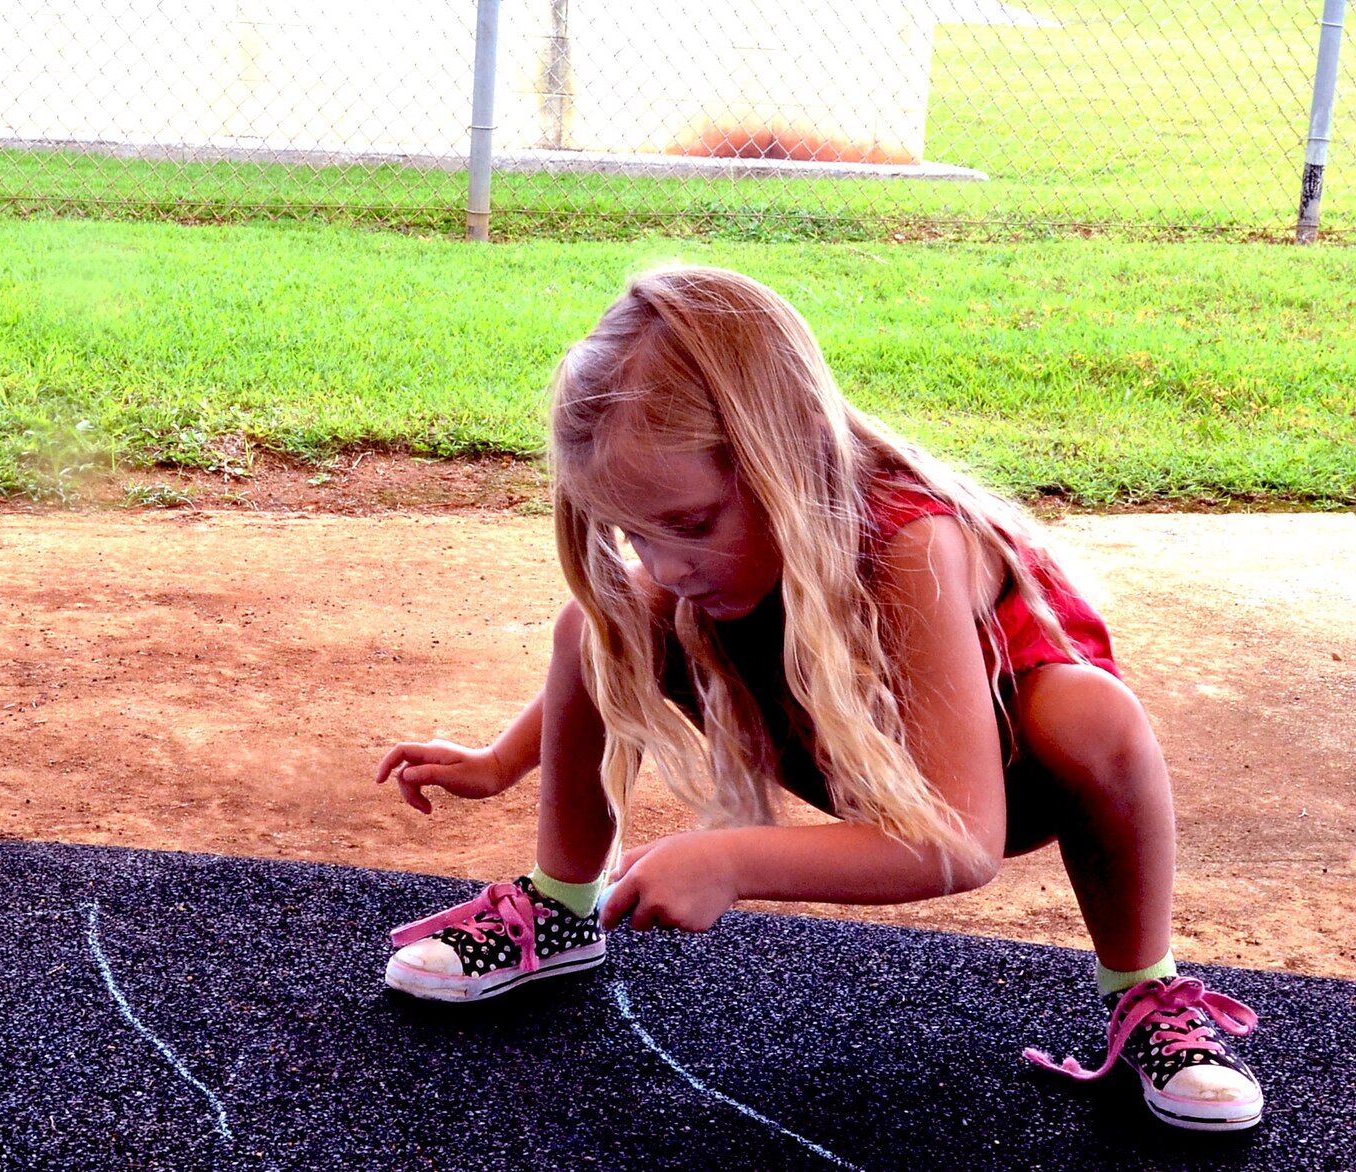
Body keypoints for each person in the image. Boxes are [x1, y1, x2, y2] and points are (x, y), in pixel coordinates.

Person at [372, 266, 1262, 1132]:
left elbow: (962, 842)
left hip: (997, 779)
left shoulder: (914, 543)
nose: (669, 564)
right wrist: (500, 761)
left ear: (782, 454)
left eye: (689, 525)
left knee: (1092, 715)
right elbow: (618, 625)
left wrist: (731, 860)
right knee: (596, 620)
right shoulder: (696, 568)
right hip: (832, 731)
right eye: (632, 532)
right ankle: (563, 908)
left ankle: (1145, 991)